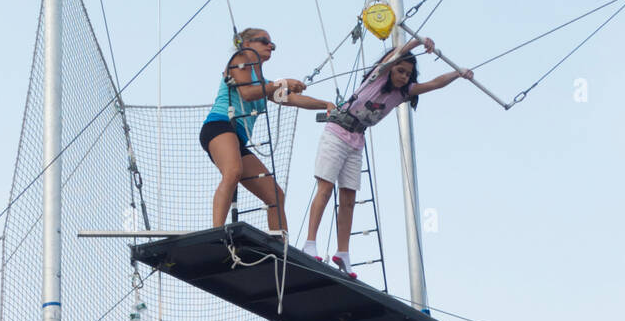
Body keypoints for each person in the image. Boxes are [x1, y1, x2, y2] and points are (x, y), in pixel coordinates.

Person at [304, 38, 474, 277]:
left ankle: (343, 252)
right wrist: (417, 42)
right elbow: (397, 53)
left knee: (349, 197)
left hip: (356, 140)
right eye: (401, 70)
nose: (404, 76)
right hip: (337, 131)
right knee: (325, 187)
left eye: (408, 74)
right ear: (392, 68)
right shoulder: (378, 76)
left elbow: (435, 84)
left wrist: (458, 73)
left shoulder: (404, 93)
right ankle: (310, 242)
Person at [200, 28, 335, 233]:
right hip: (219, 126)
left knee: (275, 195)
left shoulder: (264, 83)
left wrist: (325, 104)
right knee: (233, 171)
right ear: (246, 44)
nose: (270, 46)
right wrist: (281, 83)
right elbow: (247, 93)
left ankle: (282, 248)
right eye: (264, 41)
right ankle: (215, 232)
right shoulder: (238, 60)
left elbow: (292, 99)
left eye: (272, 44)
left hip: (237, 138)